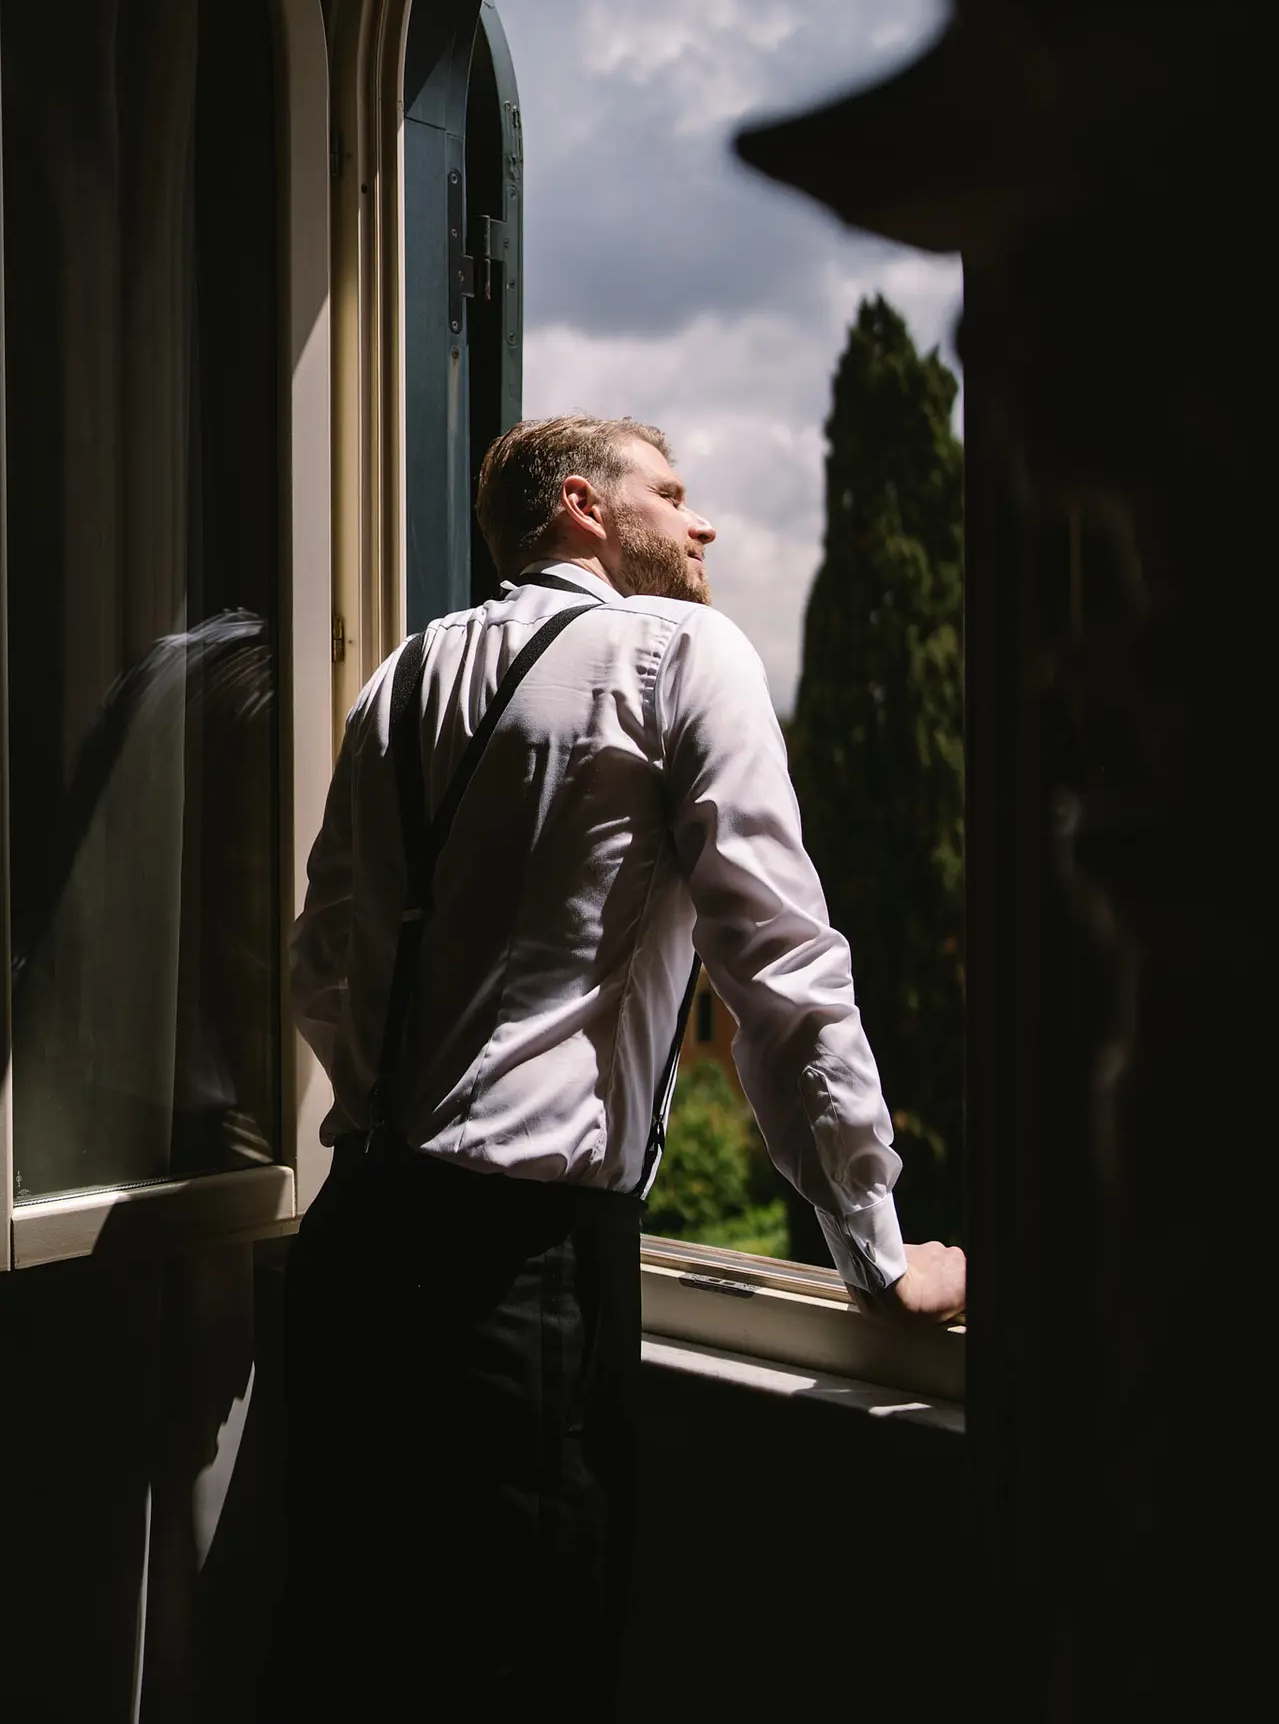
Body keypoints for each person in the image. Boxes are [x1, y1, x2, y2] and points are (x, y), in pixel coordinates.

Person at [279, 413, 965, 1721]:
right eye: (675, 491)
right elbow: (779, 965)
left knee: (351, 1646)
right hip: (515, 1274)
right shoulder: (679, 652)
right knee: (523, 1660)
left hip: (355, 1241)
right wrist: (872, 1247)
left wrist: (396, 1101)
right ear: (586, 508)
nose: (701, 523)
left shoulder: (403, 678)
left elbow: (322, 956)